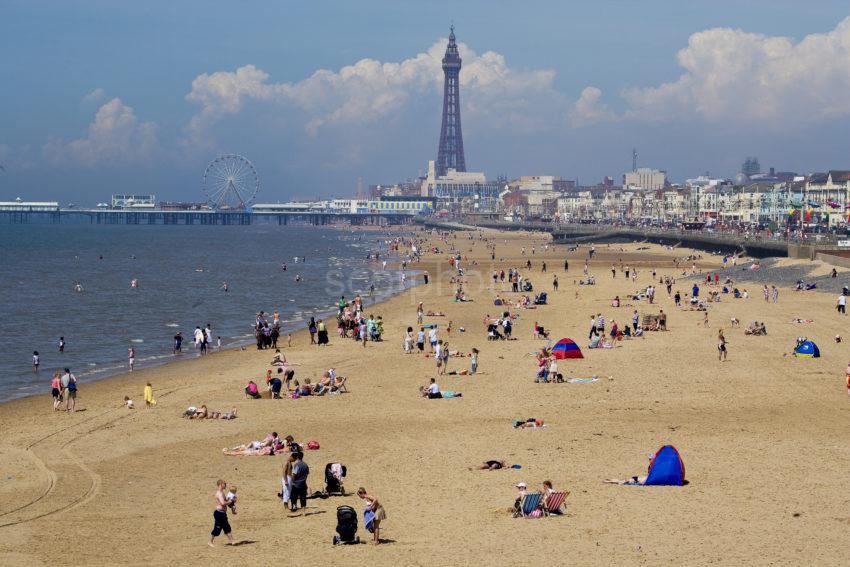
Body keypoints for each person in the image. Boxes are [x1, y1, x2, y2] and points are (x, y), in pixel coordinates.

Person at [209, 479, 235, 547]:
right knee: (217, 528)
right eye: (224, 484)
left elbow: (225, 500)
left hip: (222, 513)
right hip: (219, 514)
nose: (225, 485)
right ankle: (210, 542)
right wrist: (230, 502)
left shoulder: (222, 492)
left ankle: (232, 541)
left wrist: (231, 499)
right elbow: (223, 503)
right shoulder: (219, 494)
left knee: (226, 527)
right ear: (220, 484)